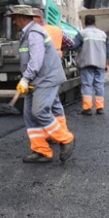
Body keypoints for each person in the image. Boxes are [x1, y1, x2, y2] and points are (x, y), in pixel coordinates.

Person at [11, 5, 75, 163]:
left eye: (15, 18)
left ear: (23, 17)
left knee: (39, 111)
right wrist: (26, 78)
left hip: (45, 78)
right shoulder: (26, 33)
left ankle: (65, 139)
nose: (13, 22)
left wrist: (25, 79)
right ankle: (42, 151)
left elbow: (37, 61)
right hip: (36, 79)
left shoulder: (34, 33)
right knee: (29, 115)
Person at [32, 9, 74, 138]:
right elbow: (71, 43)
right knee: (55, 101)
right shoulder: (56, 30)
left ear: (38, 18)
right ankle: (62, 129)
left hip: (44, 70)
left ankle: (57, 135)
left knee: (44, 104)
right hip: (56, 67)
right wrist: (60, 49)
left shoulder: (36, 32)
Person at [74, 15, 109, 116]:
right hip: (100, 63)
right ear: (95, 22)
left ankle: (87, 108)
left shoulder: (82, 33)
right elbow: (107, 51)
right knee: (99, 85)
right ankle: (100, 108)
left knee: (87, 85)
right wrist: (106, 63)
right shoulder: (103, 34)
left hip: (87, 62)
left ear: (85, 23)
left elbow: (73, 45)